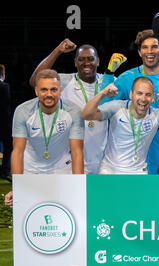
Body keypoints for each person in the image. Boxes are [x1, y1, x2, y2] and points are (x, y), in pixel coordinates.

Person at [28, 39, 127, 174]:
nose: (86, 63)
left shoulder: (110, 81)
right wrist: (57, 50)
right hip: (70, 161)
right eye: (81, 59)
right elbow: (35, 81)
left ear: (97, 61)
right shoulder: (64, 82)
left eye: (91, 59)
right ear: (75, 62)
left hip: (104, 160)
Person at [100, 29, 159, 175]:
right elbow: (103, 105)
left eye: (154, 47)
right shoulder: (128, 77)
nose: (149, 51)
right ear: (140, 52)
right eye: (145, 48)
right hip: (137, 153)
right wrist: (109, 74)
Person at [4, 69, 84, 206]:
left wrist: (79, 185)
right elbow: (18, 152)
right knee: (29, 215)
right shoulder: (23, 111)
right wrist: (17, 187)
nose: (49, 94)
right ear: (36, 91)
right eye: (44, 90)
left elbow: (77, 151)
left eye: (53, 90)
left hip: (61, 168)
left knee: (65, 214)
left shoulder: (74, 112)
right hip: (31, 169)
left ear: (60, 90)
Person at [81, 77, 159, 174]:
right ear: (131, 94)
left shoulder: (157, 115)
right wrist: (102, 93)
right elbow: (86, 114)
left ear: (153, 97)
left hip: (138, 172)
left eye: (148, 95)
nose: (143, 99)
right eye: (139, 93)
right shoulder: (117, 107)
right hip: (109, 170)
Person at [0, 64, 12, 182]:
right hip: (3, 122)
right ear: (2, 74)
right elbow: (6, 106)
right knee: (8, 146)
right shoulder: (4, 86)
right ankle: (5, 171)